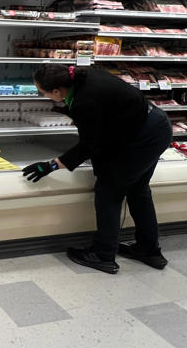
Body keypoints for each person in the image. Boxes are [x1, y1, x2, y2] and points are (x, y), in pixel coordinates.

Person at [22, 64, 173, 274]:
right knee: (138, 191)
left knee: (108, 192)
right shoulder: (85, 75)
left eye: (43, 92)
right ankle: (149, 250)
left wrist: (51, 165)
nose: (43, 95)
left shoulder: (84, 102)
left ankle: (103, 255)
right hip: (156, 126)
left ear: (57, 91)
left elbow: (89, 146)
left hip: (140, 138)